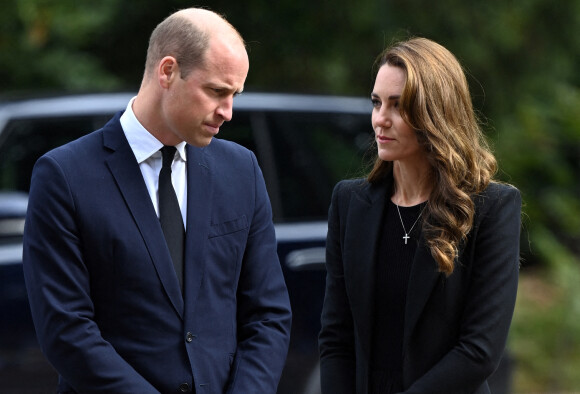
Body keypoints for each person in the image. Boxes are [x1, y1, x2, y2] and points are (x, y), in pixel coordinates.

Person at [23, 8, 292, 394]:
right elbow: (66, 330)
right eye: (217, 91)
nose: (228, 112)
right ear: (167, 71)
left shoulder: (241, 170)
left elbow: (268, 315)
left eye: (234, 95)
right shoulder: (64, 175)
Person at [318, 37, 521, 394]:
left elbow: (479, 351)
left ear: (435, 112)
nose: (380, 119)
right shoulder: (349, 203)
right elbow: (336, 337)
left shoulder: (492, 207)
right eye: (377, 103)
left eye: (398, 106)